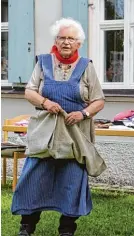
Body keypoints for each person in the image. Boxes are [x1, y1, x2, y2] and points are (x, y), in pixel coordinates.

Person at [11, 18, 106, 236]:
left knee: (71, 181)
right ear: (56, 40)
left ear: (78, 43)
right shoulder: (43, 63)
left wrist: (83, 113)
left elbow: (98, 100)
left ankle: (66, 229)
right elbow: (29, 91)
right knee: (33, 178)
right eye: (62, 37)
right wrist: (44, 102)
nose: (65, 42)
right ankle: (27, 226)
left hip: (74, 134)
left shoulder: (86, 67)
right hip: (45, 132)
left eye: (71, 39)